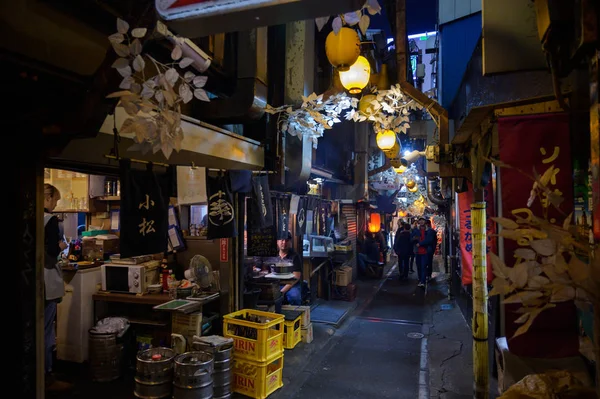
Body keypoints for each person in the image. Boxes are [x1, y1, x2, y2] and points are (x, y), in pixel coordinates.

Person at [43, 184, 71, 392]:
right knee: (46, 331)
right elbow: (52, 250)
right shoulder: (50, 220)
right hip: (48, 282)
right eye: (55, 201)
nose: (54, 205)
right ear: (48, 198)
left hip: (35, 282)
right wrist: (61, 246)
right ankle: (47, 376)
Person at [277, 232, 303, 305]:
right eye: (282, 240)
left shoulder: (295, 256)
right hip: (275, 284)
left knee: (294, 297)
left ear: (290, 242)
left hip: (291, 285)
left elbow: (296, 277)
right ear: (277, 241)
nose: (284, 242)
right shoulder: (273, 255)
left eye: (287, 240)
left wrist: (282, 291)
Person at [415, 217, 436, 287]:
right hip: (418, 251)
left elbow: (430, 240)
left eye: (422, 220)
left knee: (424, 266)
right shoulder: (416, 231)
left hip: (426, 251)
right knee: (419, 266)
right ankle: (421, 279)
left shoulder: (430, 231)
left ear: (425, 222)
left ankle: (423, 281)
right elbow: (411, 239)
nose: (421, 222)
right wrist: (414, 239)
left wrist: (420, 243)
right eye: (420, 220)